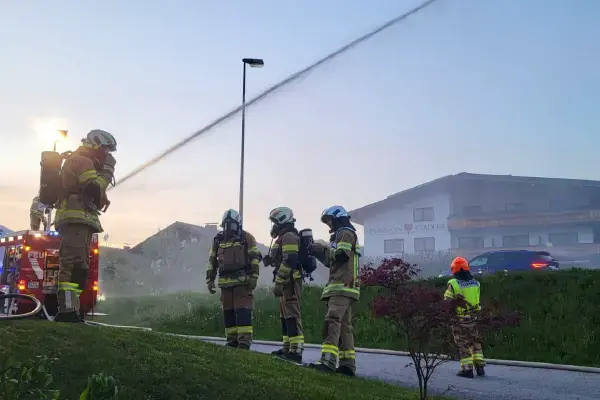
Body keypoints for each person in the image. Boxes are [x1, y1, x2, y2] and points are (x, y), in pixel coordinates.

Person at [53, 129, 117, 323]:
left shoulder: (85, 161)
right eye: (106, 150)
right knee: (71, 264)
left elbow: (92, 191)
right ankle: (65, 311)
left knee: (80, 267)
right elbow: (94, 187)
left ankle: (73, 309)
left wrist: (100, 198)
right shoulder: (81, 160)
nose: (107, 155)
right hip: (75, 219)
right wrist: (108, 170)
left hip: (83, 220)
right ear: (96, 144)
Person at [307, 205, 361, 377]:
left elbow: (341, 255)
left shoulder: (345, 232)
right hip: (346, 287)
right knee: (345, 327)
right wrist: (317, 253)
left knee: (332, 321)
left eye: (330, 220)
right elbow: (332, 261)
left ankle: (327, 361)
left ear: (338, 218)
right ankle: (347, 365)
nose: (328, 224)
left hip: (342, 286)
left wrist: (323, 248)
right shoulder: (341, 235)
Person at [206, 209, 262, 350]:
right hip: (225, 283)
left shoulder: (246, 238)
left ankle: (244, 342)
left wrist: (254, 276)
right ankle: (232, 341)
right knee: (228, 312)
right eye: (225, 226)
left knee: (243, 311)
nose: (227, 229)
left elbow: (254, 258)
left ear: (238, 225)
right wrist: (210, 280)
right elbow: (212, 261)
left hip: (242, 283)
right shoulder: (218, 240)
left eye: (231, 226)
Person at [262, 206, 304, 362]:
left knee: (292, 315)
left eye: (274, 222)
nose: (273, 226)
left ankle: (296, 350)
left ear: (281, 220)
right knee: (285, 315)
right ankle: (287, 347)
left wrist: (279, 281)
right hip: (286, 281)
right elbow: (281, 258)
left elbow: (290, 260)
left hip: (291, 282)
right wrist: (269, 260)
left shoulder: (289, 236)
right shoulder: (282, 237)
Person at [444, 256, 485, 378]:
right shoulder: (476, 283)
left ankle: (467, 370)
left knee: (463, 343)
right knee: (476, 342)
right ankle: (480, 367)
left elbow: (447, 302)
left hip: (460, 318)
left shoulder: (453, 283)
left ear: (454, 269)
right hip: (475, 317)